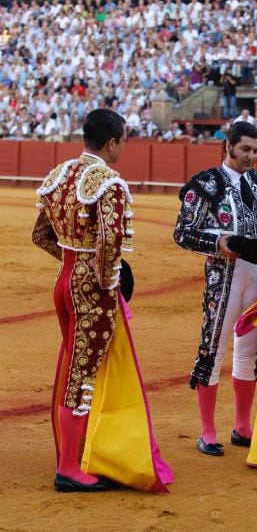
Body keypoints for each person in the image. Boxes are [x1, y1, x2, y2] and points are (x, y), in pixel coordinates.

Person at [32, 109, 172, 492]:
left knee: (74, 368)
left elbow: (40, 235)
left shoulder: (58, 175)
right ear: (112, 142)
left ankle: (77, 454)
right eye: (123, 141)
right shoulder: (108, 182)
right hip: (91, 289)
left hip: (63, 282)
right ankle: (68, 469)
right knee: (82, 373)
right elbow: (110, 242)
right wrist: (107, 278)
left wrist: (72, 263)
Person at [173, 121, 257, 456]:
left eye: (256, 150)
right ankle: (207, 431)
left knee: (248, 350)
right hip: (224, 276)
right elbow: (182, 232)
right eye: (245, 149)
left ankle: (242, 427)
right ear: (227, 145)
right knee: (213, 350)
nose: (251, 156)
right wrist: (219, 242)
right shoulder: (206, 184)